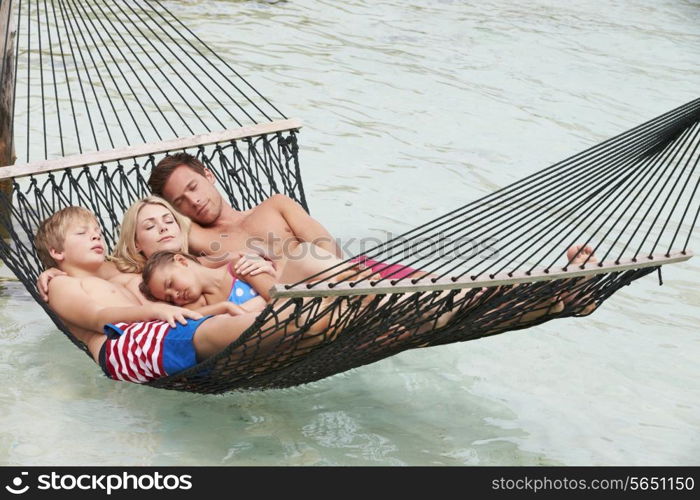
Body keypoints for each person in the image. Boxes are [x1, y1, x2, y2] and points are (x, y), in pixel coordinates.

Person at [33, 206, 333, 384]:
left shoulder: (117, 277)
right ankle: (327, 311)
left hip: (158, 339)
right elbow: (100, 318)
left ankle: (333, 312)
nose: (95, 236)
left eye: (97, 231)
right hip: (127, 349)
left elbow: (171, 321)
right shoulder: (62, 283)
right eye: (82, 233)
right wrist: (155, 312)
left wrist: (221, 308)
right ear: (57, 252)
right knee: (302, 322)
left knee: (300, 319)